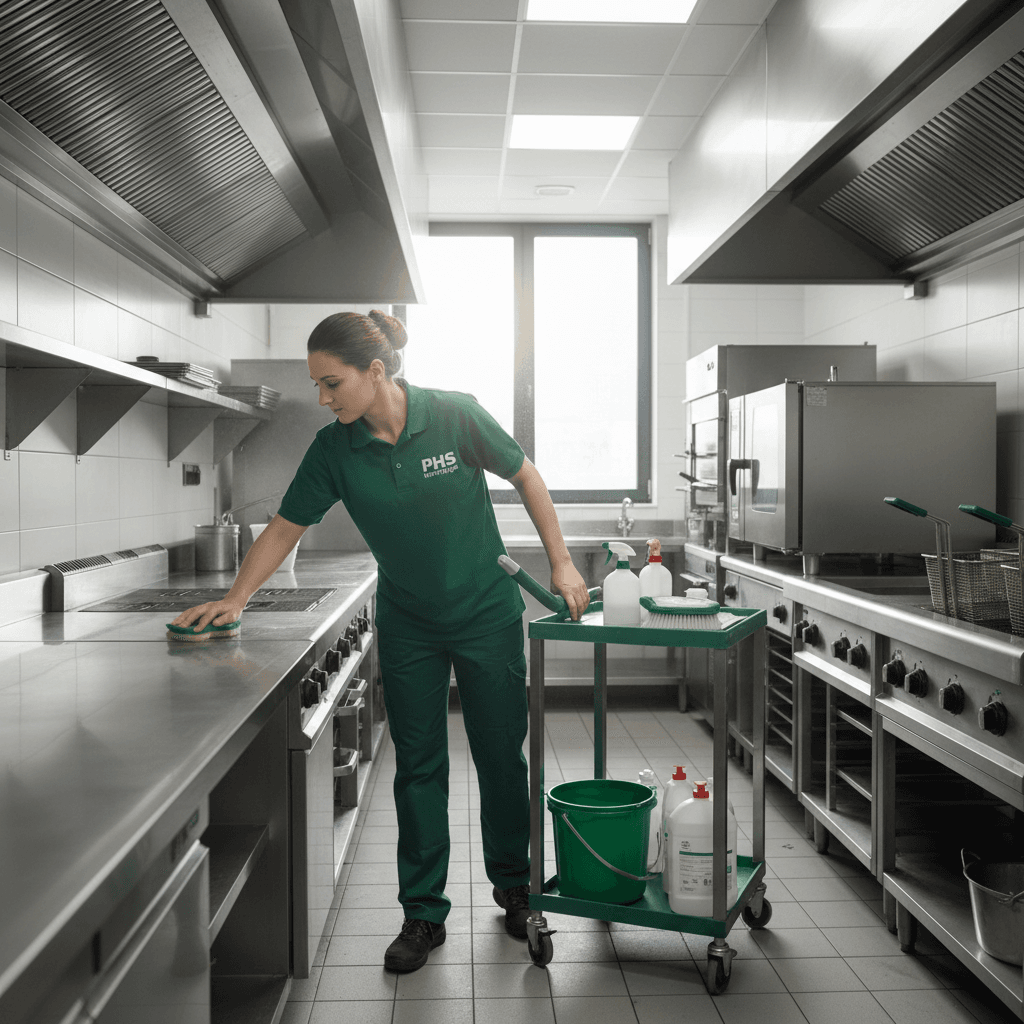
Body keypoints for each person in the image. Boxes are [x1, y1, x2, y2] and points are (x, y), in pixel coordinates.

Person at [171, 309, 590, 973]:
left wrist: (560, 561)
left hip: (486, 612)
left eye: (331, 383)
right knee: (418, 767)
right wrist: (234, 598)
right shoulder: (335, 449)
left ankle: (516, 888)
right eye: (317, 385)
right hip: (410, 623)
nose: (322, 397)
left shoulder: (455, 415)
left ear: (375, 372)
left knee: (500, 756)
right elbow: (285, 528)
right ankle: (423, 914)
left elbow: (525, 475)